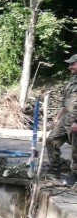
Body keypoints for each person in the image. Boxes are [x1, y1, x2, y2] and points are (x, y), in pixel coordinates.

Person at [43, 54, 77, 185]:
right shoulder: (72, 80)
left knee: (76, 149)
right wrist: (57, 118)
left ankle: (74, 175)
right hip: (66, 118)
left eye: (72, 64)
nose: (69, 67)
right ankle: (55, 167)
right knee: (51, 140)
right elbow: (64, 102)